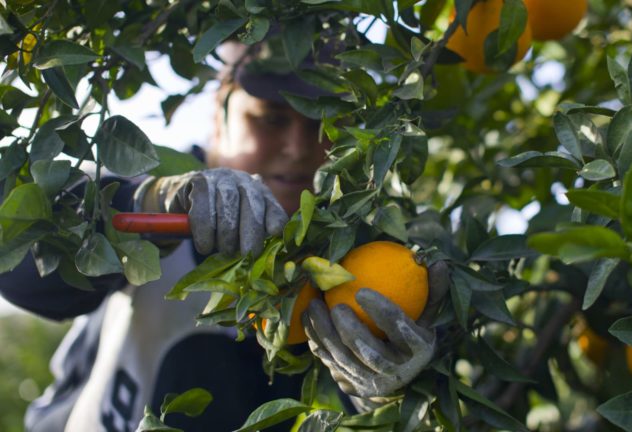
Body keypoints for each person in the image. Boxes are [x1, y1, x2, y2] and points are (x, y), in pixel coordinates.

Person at [0, 34, 440, 431]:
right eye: (269, 119)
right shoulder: (153, 196)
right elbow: (22, 266)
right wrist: (149, 204)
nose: (298, 149)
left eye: (321, 125)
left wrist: (386, 398)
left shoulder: (361, 255)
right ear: (219, 114)